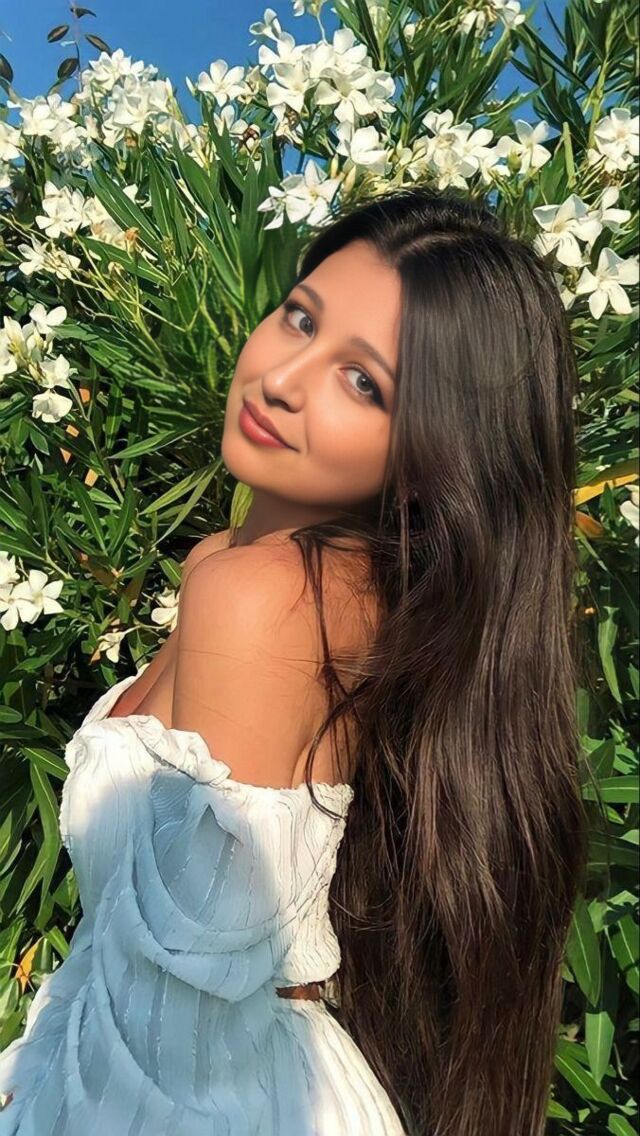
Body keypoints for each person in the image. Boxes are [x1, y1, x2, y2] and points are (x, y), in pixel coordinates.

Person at [0, 186, 590, 1136]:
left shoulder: (266, 598)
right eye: (301, 319)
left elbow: (175, 1034)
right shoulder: (277, 577)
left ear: (435, 451)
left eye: (364, 382)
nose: (282, 377)